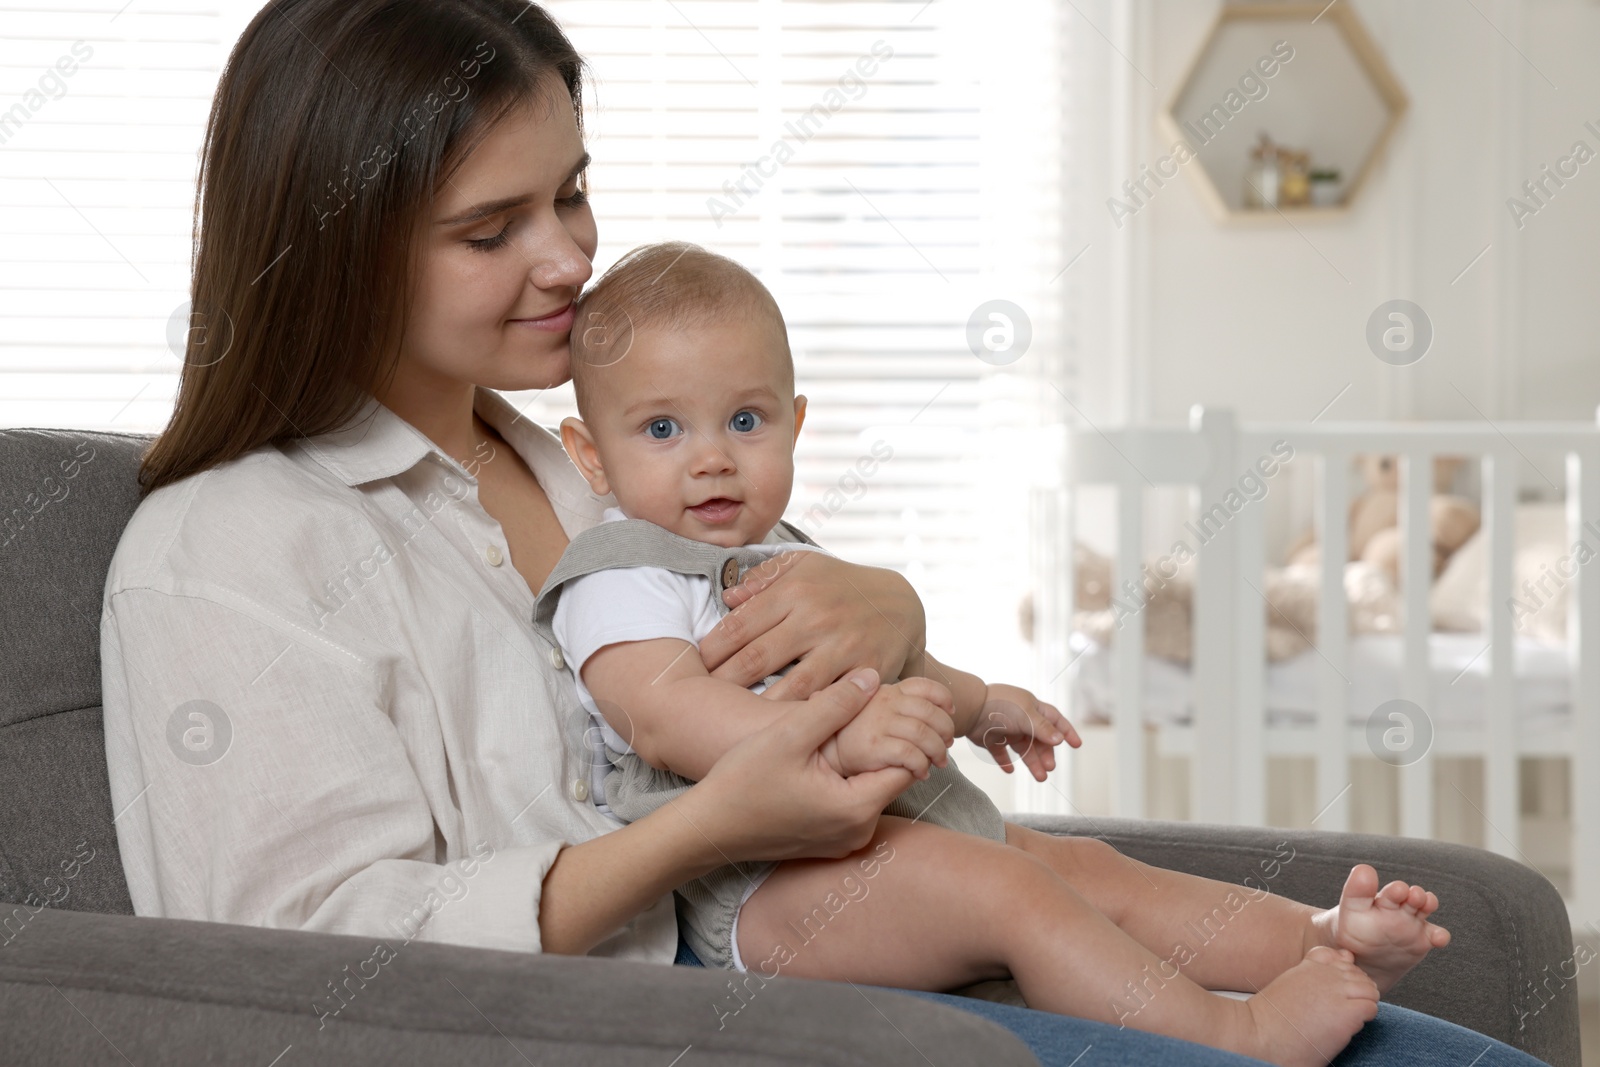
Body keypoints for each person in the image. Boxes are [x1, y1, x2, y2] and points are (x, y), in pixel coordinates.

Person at [97, 2, 1551, 1064]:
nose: (569, 257)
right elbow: (287, 968)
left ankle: (1300, 964)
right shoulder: (225, 548)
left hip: (870, 940)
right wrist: (711, 827)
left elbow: (759, 620)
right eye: (494, 230)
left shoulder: (589, 463)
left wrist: (893, 612)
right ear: (336, 246)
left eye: (575, 191)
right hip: (690, 1004)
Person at [536, 241, 1447, 1066]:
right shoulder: (620, 572)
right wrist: (837, 745)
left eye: (744, 421)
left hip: (904, 831)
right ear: (592, 455)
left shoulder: (790, 553)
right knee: (1010, 890)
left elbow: (884, 668)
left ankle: (1312, 936)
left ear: (796, 423)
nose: (712, 461)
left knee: (1084, 866)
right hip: (763, 888)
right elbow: (662, 715)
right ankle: (1239, 1033)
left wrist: (974, 702)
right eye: (663, 430)